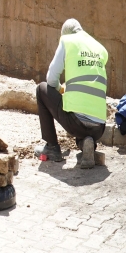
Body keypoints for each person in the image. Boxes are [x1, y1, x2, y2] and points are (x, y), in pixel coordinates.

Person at [35, 19, 108, 169]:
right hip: (99, 128)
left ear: (65, 34)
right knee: (84, 128)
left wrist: (60, 90)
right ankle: (87, 144)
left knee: (41, 89)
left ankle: (52, 147)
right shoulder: (100, 48)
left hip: (76, 123)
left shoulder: (67, 41)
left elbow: (51, 79)